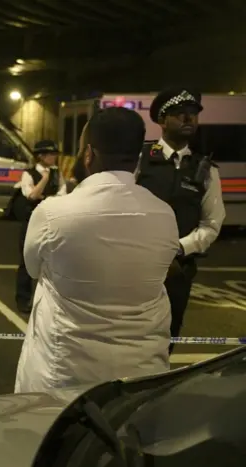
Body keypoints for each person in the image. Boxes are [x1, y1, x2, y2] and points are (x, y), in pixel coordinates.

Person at [15, 107, 180, 394]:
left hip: (63, 372)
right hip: (139, 377)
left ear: (88, 155)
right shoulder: (164, 215)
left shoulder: (53, 213)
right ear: (137, 158)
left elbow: (32, 268)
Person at [136, 87, 226, 353]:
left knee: (167, 338)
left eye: (193, 115)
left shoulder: (205, 169)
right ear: (162, 121)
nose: (188, 120)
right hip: (136, 263)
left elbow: (212, 223)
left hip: (179, 269)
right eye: (179, 114)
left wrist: (178, 248)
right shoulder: (140, 159)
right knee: (130, 335)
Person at [10, 140, 66, 314]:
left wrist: (44, 196)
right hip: (32, 221)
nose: (54, 158)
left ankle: (49, 300)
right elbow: (31, 195)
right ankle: (23, 299)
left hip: (52, 221)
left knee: (53, 261)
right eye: (51, 154)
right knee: (27, 262)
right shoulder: (29, 174)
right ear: (41, 156)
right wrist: (45, 180)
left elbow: (62, 194)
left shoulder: (58, 173)